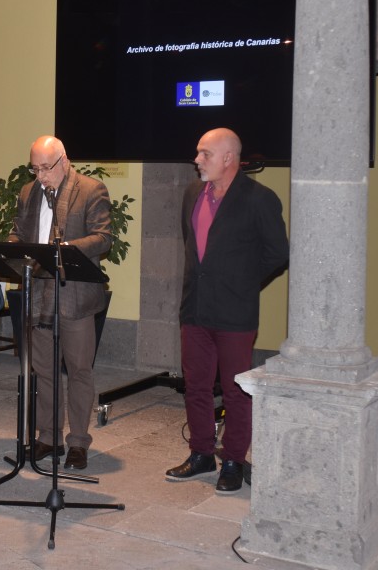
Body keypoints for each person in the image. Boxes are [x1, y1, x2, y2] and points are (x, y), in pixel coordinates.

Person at [165, 128, 288, 493]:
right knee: (197, 386)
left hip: (235, 310)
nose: (197, 160)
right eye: (198, 154)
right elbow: (194, 247)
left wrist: (243, 281)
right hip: (195, 307)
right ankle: (201, 452)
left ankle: (233, 459)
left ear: (229, 158)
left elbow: (278, 252)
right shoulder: (191, 194)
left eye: (204, 154)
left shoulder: (259, 198)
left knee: (237, 391)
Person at [9, 135, 111, 471]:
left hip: (76, 296)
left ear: (64, 160)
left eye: (45, 168)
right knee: (44, 370)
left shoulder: (91, 189)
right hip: (39, 294)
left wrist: (65, 249)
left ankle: (78, 442)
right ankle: (49, 436)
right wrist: (11, 248)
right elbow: (19, 233)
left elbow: (102, 238)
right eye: (34, 168)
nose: (39, 175)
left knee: (79, 370)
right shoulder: (28, 192)